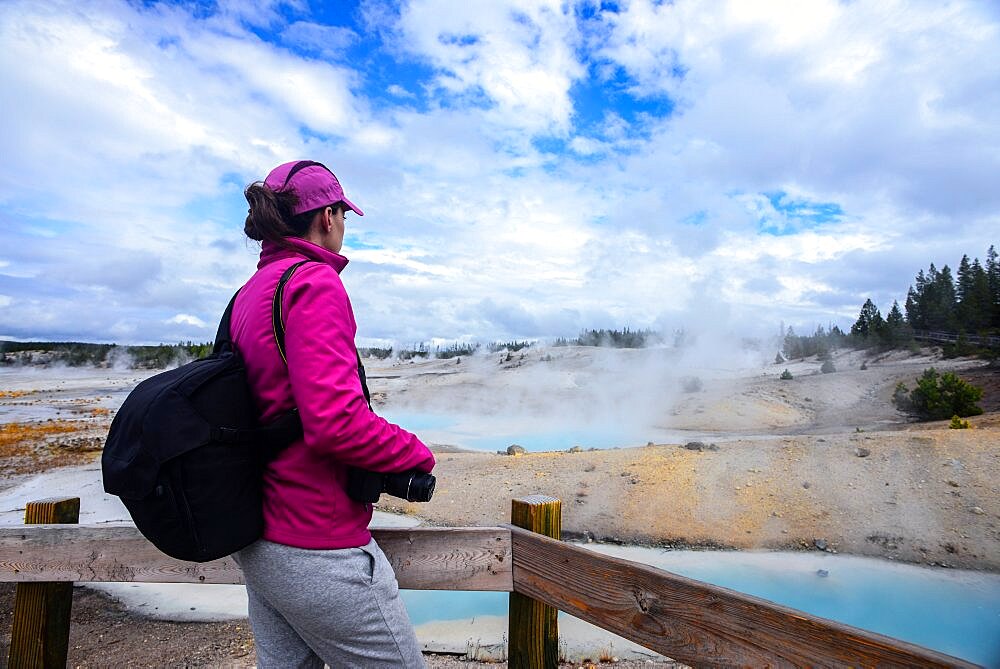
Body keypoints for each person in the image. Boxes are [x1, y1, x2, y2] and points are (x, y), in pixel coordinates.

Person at [231, 160, 435, 668]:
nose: (344, 226)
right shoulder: (313, 283)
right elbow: (335, 423)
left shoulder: (251, 292)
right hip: (316, 542)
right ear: (327, 216)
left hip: (261, 538)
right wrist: (416, 453)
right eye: (343, 214)